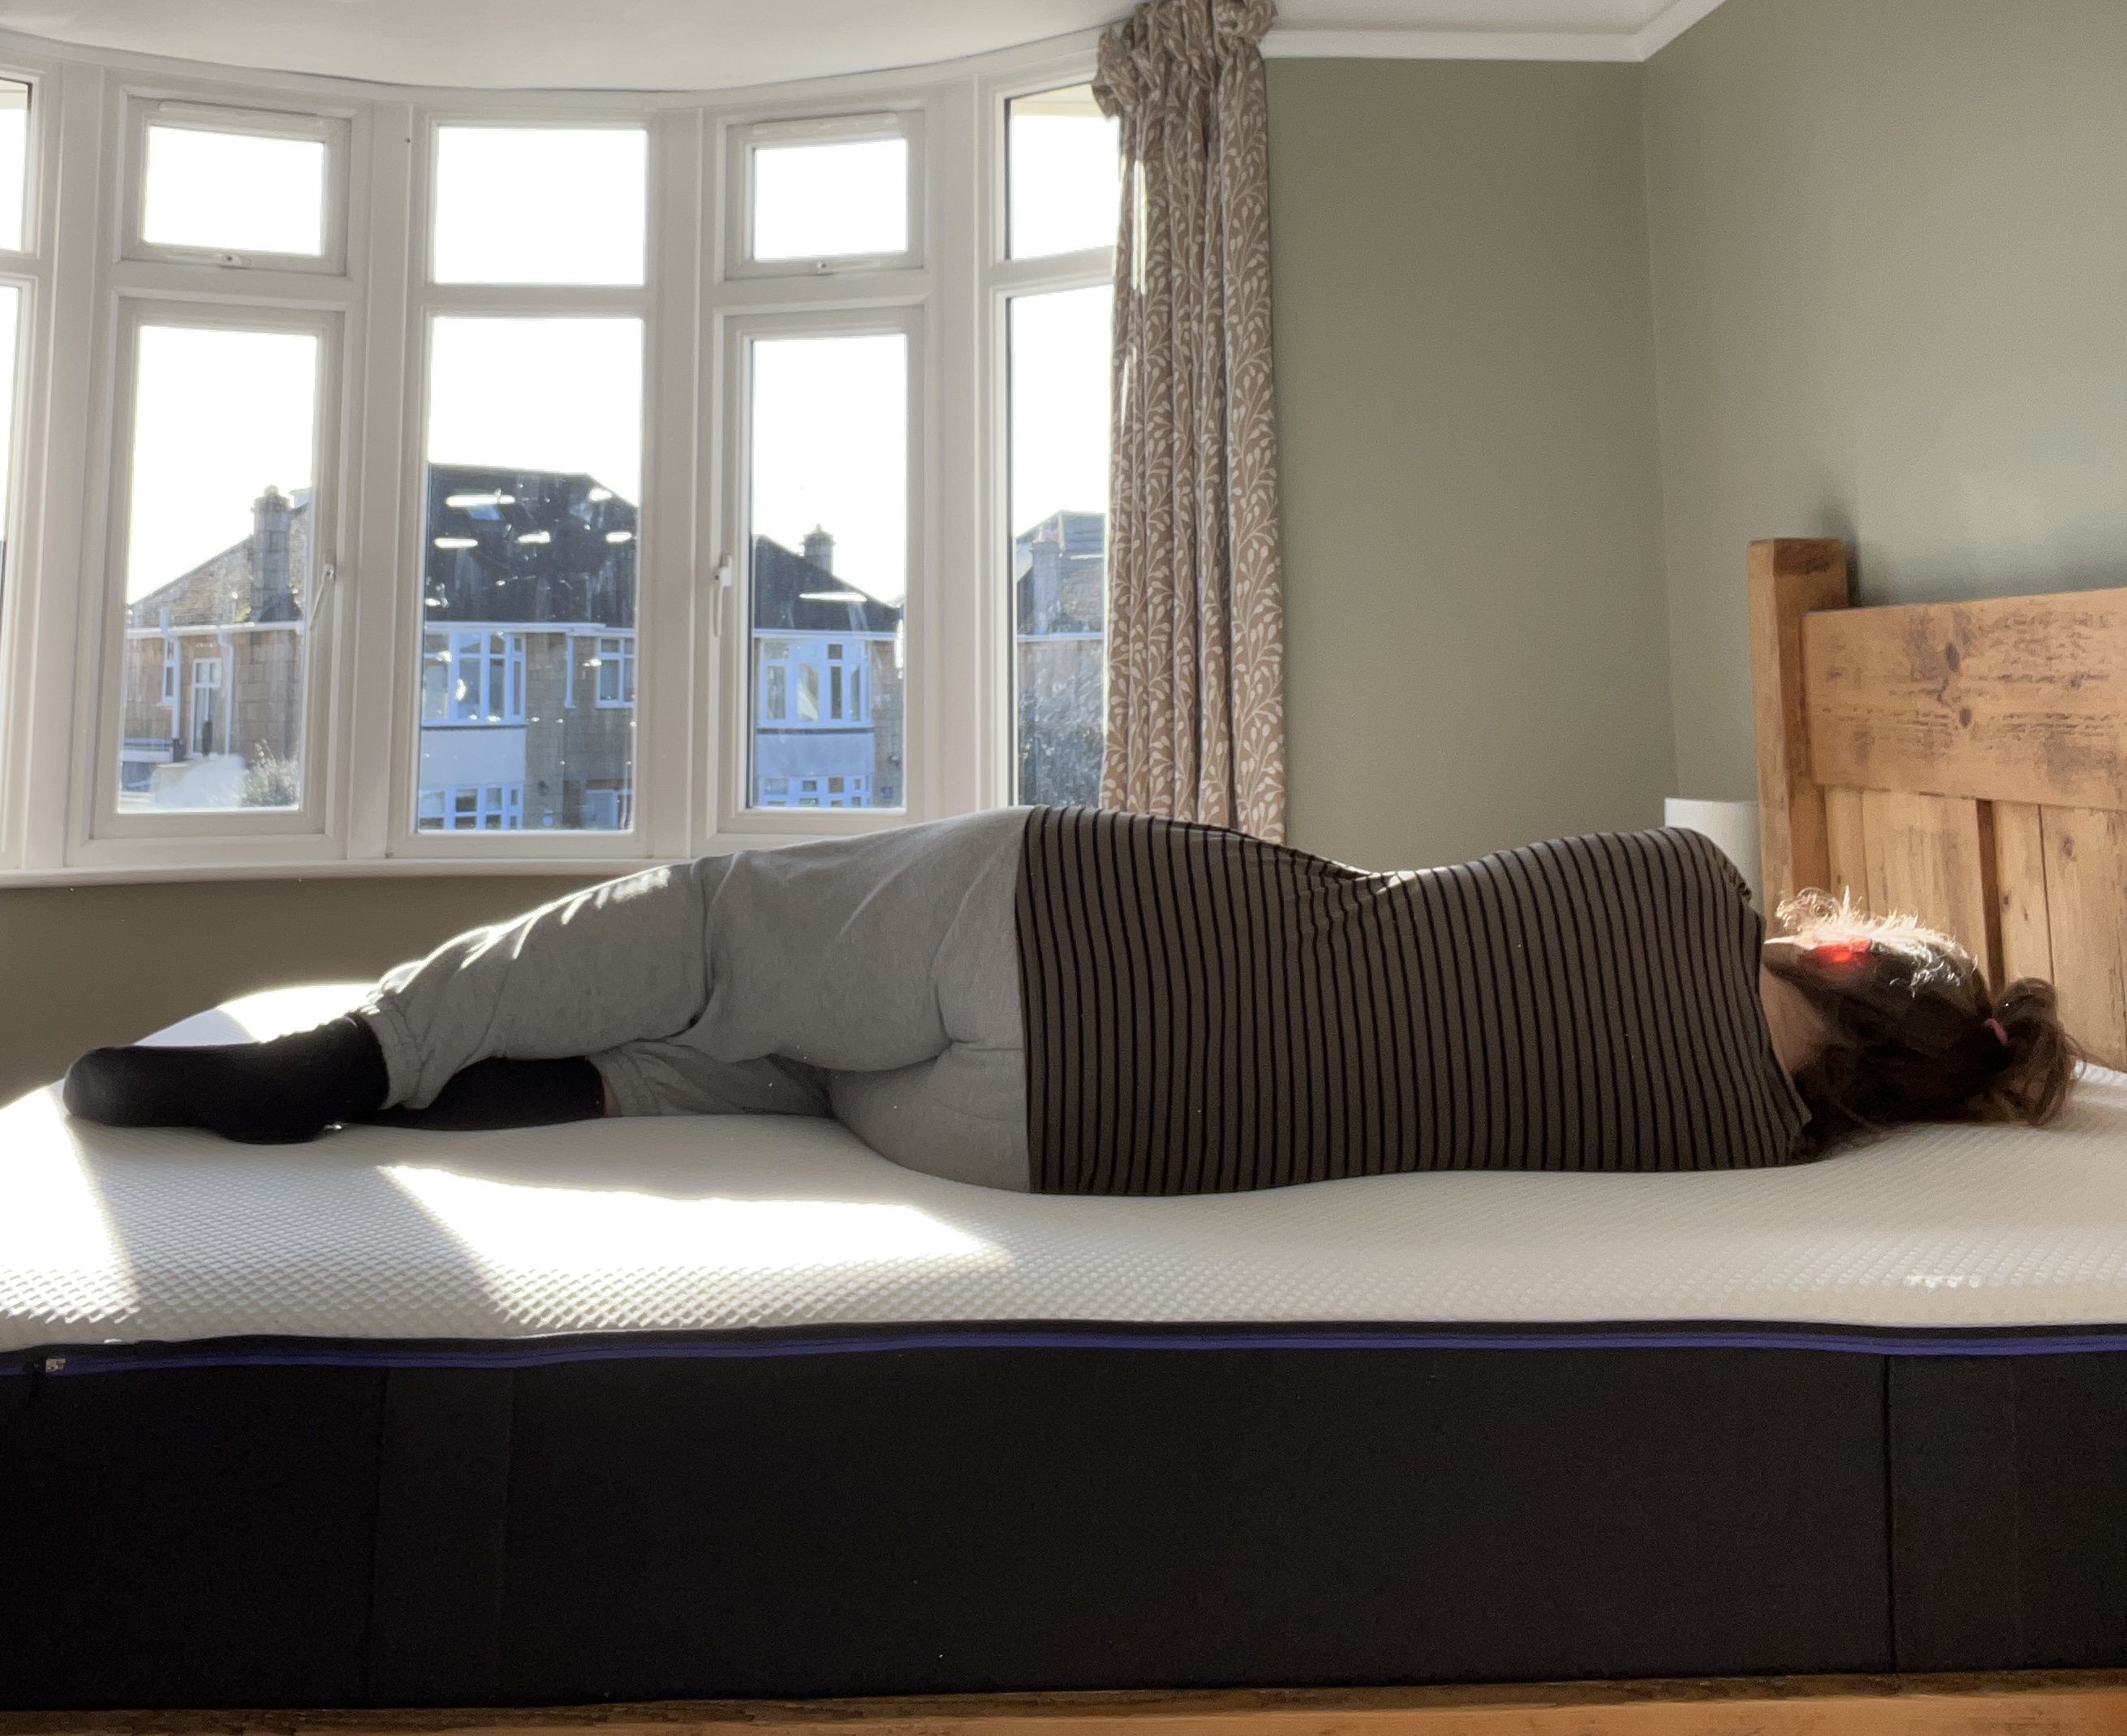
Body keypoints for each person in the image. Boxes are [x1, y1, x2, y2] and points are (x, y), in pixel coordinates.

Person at [61, 808, 2080, 1194]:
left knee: (721, 921)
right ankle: (526, 1090)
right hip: (1063, 1145)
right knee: (784, 1067)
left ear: (1844, 955)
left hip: (1078, 932)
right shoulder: (1742, 1146)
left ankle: (359, 1054)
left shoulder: (1687, 882)